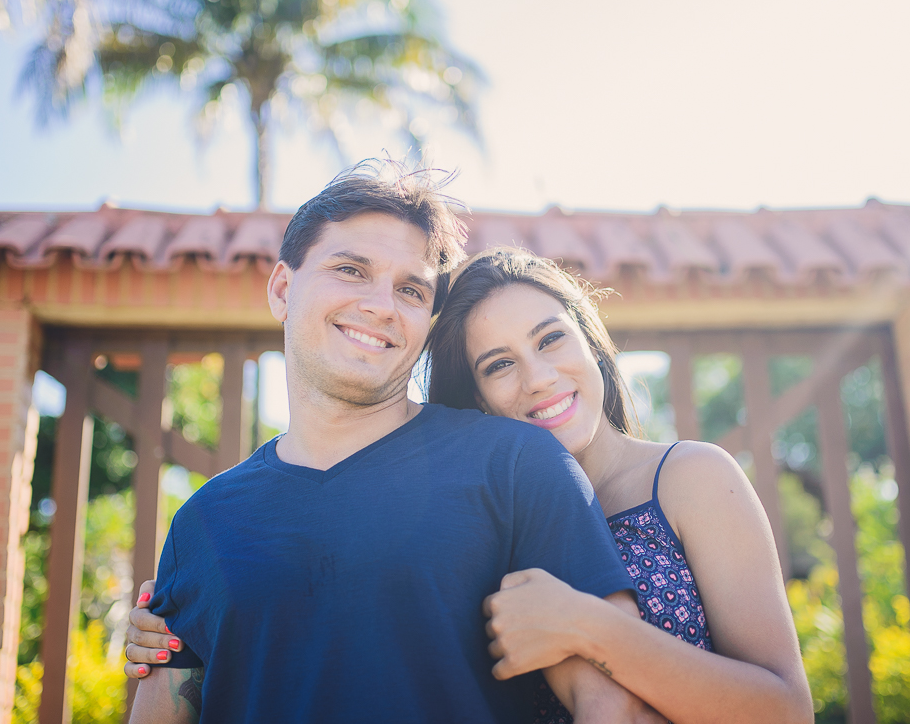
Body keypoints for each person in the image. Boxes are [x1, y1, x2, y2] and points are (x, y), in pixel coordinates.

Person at [128, 244, 814, 724]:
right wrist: (204, 610)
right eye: (498, 365)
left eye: (550, 340)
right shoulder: (475, 512)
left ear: (589, 339)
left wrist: (586, 624)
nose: (538, 378)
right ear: (473, 397)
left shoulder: (690, 478)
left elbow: (787, 711)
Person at [124, 162, 657, 724]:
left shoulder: (516, 464)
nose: (382, 304)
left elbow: (612, 701)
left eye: (410, 289)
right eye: (352, 270)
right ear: (283, 289)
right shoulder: (202, 523)